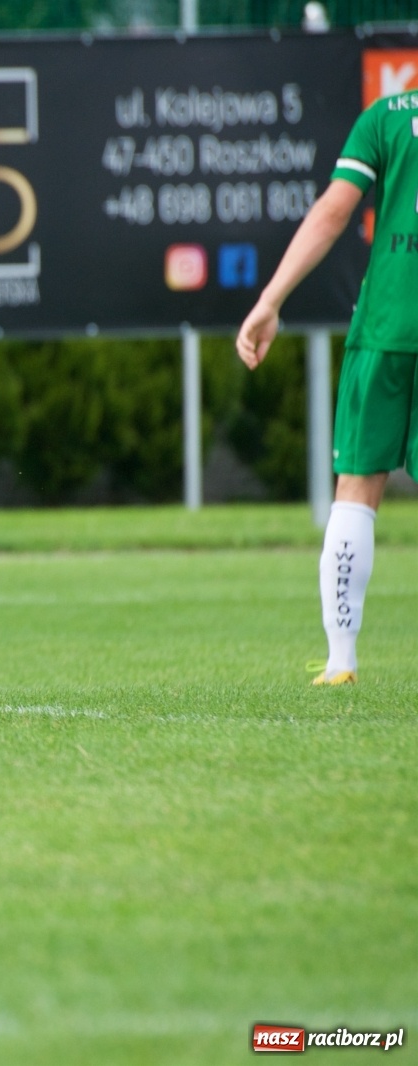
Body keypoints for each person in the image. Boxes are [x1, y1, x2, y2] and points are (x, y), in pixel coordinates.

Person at [236, 85, 418, 685]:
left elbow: (334, 211)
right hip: (388, 327)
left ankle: (341, 661)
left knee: (357, 488)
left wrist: (270, 300)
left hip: (389, 326)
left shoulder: (387, 118)